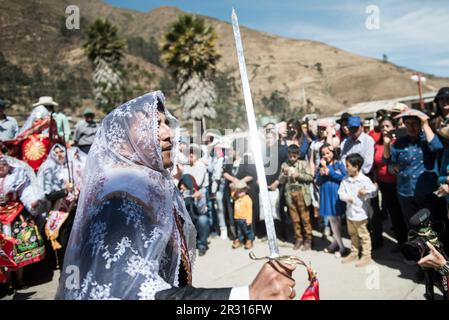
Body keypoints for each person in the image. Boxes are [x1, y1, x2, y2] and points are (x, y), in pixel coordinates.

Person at [56, 91, 296, 300]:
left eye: (165, 123)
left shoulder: (155, 188)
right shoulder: (118, 200)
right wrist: (248, 296)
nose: (167, 133)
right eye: (152, 126)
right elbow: (132, 292)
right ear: (123, 143)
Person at [383, 110, 448, 249]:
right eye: (408, 124)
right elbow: (387, 160)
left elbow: (437, 147)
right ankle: (423, 264)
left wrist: (425, 123)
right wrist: (386, 144)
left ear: (420, 125)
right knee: (413, 229)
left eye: (414, 124)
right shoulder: (400, 143)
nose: (411, 127)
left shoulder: (427, 140)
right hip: (405, 193)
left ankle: (439, 262)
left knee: (431, 229)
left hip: (426, 193)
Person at [0, 156, 45, 293]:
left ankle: (19, 279)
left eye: (3, 165)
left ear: (9, 166)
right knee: (3, 250)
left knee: (19, 248)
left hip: (15, 215)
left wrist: (33, 201)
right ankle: (6, 281)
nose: (1, 168)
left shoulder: (18, 177)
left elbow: (26, 193)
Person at [37, 144, 81, 268]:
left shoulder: (73, 167)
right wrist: (65, 191)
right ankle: (65, 271)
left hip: (75, 210)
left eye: (61, 151)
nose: (59, 154)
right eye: (56, 153)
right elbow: (48, 195)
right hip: (60, 213)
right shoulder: (49, 171)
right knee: (64, 243)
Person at [373, 116, 408, 247]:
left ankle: (412, 243)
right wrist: (376, 180)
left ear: (393, 127)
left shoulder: (398, 142)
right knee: (393, 214)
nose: (385, 129)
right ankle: (401, 242)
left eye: (387, 126)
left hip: (398, 183)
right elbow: (375, 165)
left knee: (403, 213)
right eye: (382, 127)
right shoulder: (378, 144)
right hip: (384, 183)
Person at [338, 153, 377, 267]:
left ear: (356, 167)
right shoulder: (345, 180)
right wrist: (347, 198)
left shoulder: (364, 180)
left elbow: (374, 192)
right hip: (350, 214)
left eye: (348, 166)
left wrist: (365, 192)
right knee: (353, 234)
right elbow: (340, 193)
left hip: (361, 214)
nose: (346, 168)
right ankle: (354, 253)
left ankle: (366, 255)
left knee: (364, 235)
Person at [279, 144, 314, 251]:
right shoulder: (284, 165)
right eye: (290, 156)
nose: (292, 158)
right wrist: (284, 175)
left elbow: (310, 177)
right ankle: (298, 238)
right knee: (295, 219)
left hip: (302, 194)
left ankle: (308, 239)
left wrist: (299, 175)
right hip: (290, 194)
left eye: (294, 156)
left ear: (298, 155)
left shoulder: (304, 164)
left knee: (305, 218)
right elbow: (280, 180)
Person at [315, 143, 348, 256]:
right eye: (323, 154)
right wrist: (320, 174)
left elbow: (345, 177)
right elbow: (318, 182)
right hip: (325, 194)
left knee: (336, 220)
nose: (326, 156)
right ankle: (339, 245)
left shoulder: (338, 164)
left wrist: (331, 173)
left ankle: (338, 245)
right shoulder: (320, 165)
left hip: (336, 194)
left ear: (333, 152)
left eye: (328, 153)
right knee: (332, 220)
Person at [178, 174, 210, 257]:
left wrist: (199, 199)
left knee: (203, 219)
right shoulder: (178, 195)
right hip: (186, 224)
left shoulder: (199, 193)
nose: (181, 186)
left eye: (184, 184)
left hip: (196, 222)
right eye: (180, 184)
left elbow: (202, 211)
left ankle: (202, 245)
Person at [15, 105, 53, 171]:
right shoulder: (24, 138)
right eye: (36, 121)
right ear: (31, 122)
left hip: (45, 171)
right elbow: (15, 146)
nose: (38, 124)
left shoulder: (48, 138)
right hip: (26, 170)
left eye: (41, 121)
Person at [231, 180, 254, 250]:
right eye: (238, 190)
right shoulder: (236, 198)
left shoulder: (247, 199)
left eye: (242, 190)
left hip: (245, 219)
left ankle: (249, 240)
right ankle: (240, 241)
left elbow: (250, 210)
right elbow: (232, 195)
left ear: (246, 190)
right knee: (239, 231)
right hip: (238, 218)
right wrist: (234, 189)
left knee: (248, 231)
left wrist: (249, 219)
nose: (240, 192)